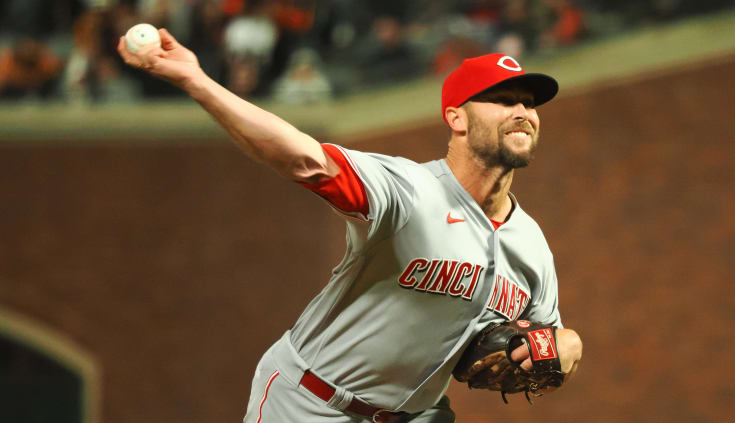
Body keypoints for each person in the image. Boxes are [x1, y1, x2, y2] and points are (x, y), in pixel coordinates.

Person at [117, 29, 583, 423]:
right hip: (310, 403)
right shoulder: (409, 190)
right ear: (456, 118)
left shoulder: (532, 245)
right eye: (502, 99)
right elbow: (305, 160)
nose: (522, 111)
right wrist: (196, 80)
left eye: (529, 102)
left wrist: (568, 345)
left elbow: (548, 337)